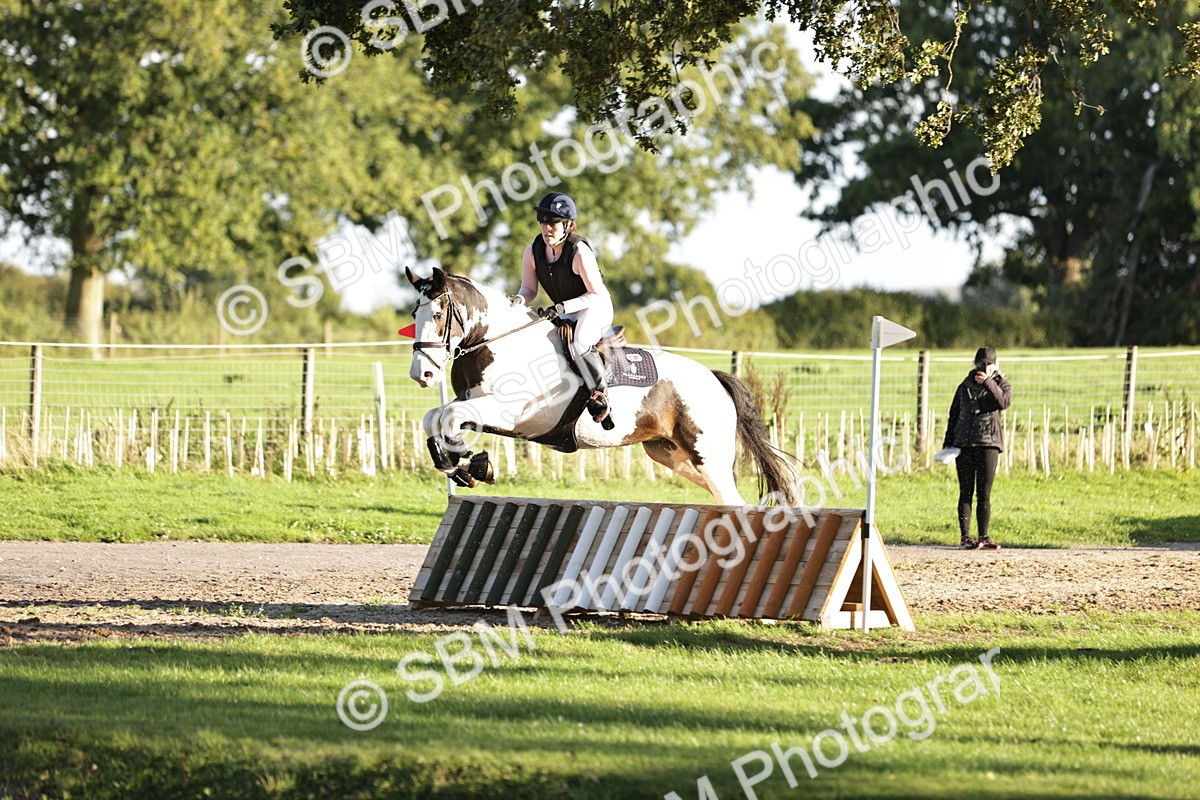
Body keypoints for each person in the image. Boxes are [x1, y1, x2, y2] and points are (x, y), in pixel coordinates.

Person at [509, 191, 616, 428]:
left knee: (578, 343)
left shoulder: (579, 251)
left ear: (567, 225)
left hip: (594, 306)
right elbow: (528, 289)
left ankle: (600, 397)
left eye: (553, 223)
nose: (547, 229)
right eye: (544, 222)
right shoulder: (533, 250)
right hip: (564, 309)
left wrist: (562, 307)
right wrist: (517, 301)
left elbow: (596, 294)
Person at [942, 346, 1012, 550]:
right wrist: (948, 443)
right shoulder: (964, 386)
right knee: (965, 492)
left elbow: (1004, 402)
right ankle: (965, 537)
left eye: (988, 364)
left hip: (988, 444)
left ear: (994, 366)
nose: (983, 368)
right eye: (980, 364)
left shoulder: (1000, 384)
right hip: (964, 444)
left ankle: (984, 536)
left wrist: (988, 382)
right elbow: (953, 414)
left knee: (984, 492)